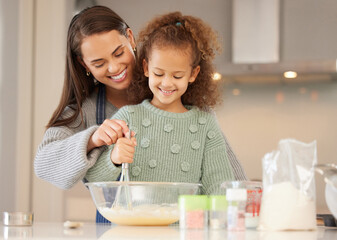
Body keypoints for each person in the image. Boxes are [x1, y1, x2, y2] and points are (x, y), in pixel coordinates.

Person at [34, 6, 247, 222]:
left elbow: (227, 179)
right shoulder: (87, 110)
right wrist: (93, 139)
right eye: (99, 63)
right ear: (84, 64)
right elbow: (43, 164)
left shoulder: (193, 109)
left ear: (130, 38)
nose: (115, 67)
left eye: (118, 53)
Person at [86, 11, 237, 196]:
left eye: (177, 75)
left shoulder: (205, 125)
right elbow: (93, 180)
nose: (166, 83)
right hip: (135, 225)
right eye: (159, 74)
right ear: (146, 68)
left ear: (193, 74)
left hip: (187, 225)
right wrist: (114, 159)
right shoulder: (127, 118)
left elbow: (219, 187)